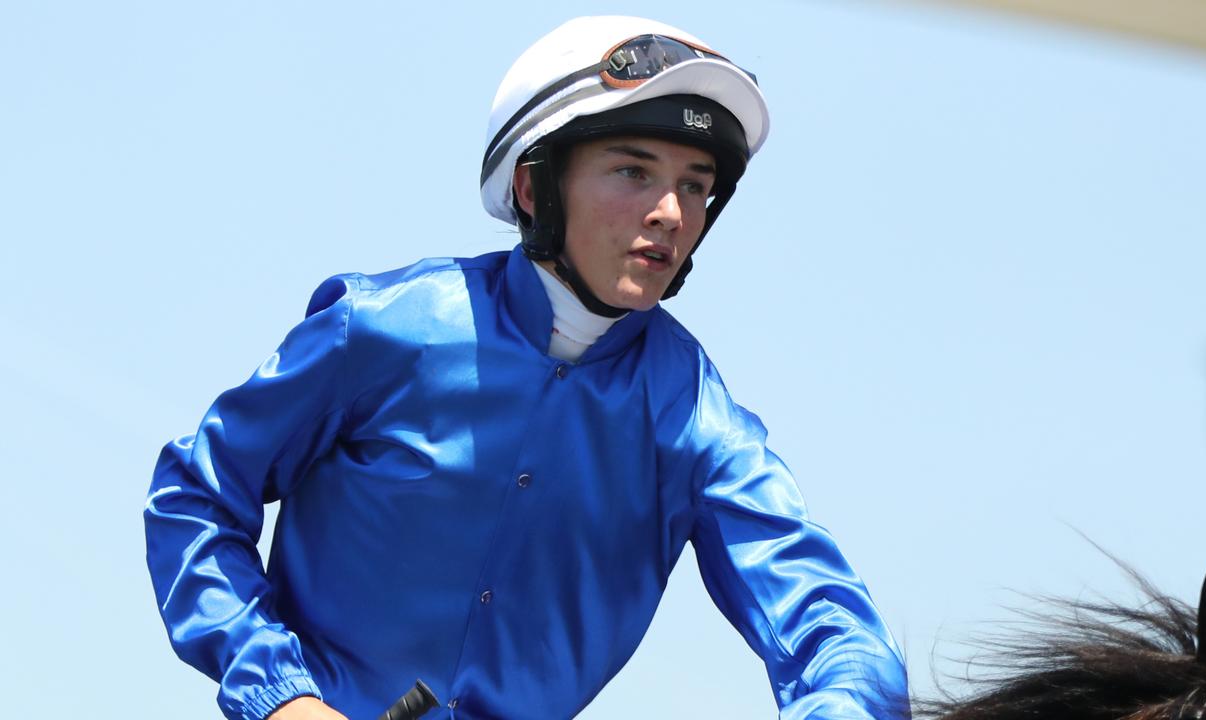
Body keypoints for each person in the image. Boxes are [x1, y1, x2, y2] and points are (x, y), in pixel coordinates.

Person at [144, 15, 908, 720]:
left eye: (695, 185)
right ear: (533, 186)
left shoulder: (697, 419)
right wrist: (280, 698)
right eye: (635, 171)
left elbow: (836, 631)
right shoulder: (381, 328)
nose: (672, 214)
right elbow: (194, 499)